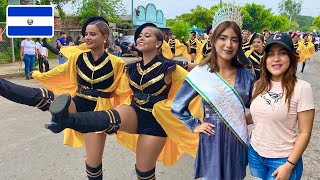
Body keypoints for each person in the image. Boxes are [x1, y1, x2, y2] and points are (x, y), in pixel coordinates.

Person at [45, 22, 202, 179]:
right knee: (110, 117)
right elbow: (116, 91)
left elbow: (195, 88)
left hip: (155, 120)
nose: (141, 38)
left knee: (144, 172)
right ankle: (65, 119)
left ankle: (66, 119)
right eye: (139, 36)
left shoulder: (170, 68)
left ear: (159, 43)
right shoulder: (130, 68)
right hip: (134, 112)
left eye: (147, 36)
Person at [0, 16, 128, 180]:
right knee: (47, 99)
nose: (87, 37)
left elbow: (124, 90)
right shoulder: (78, 58)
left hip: (99, 111)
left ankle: (61, 119)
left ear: (104, 37)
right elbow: (59, 72)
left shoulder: (117, 63)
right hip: (78, 101)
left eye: (92, 34)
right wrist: (40, 74)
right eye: (86, 34)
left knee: (93, 162)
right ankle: (3, 87)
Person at [171, 5, 255, 180]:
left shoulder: (247, 75)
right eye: (223, 38)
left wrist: (243, 120)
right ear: (214, 40)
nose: (228, 45)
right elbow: (178, 106)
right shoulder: (201, 73)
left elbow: (256, 107)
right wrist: (195, 125)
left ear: (239, 43)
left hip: (236, 140)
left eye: (234, 40)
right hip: (212, 139)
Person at [246, 32, 315, 180]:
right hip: (255, 154)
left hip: (282, 160)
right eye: (271, 54)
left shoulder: (302, 88)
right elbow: (257, 115)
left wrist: (289, 164)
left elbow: (305, 132)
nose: (276, 59)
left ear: (291, 57)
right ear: (265, 59)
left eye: (282, 53)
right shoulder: (258, 85)